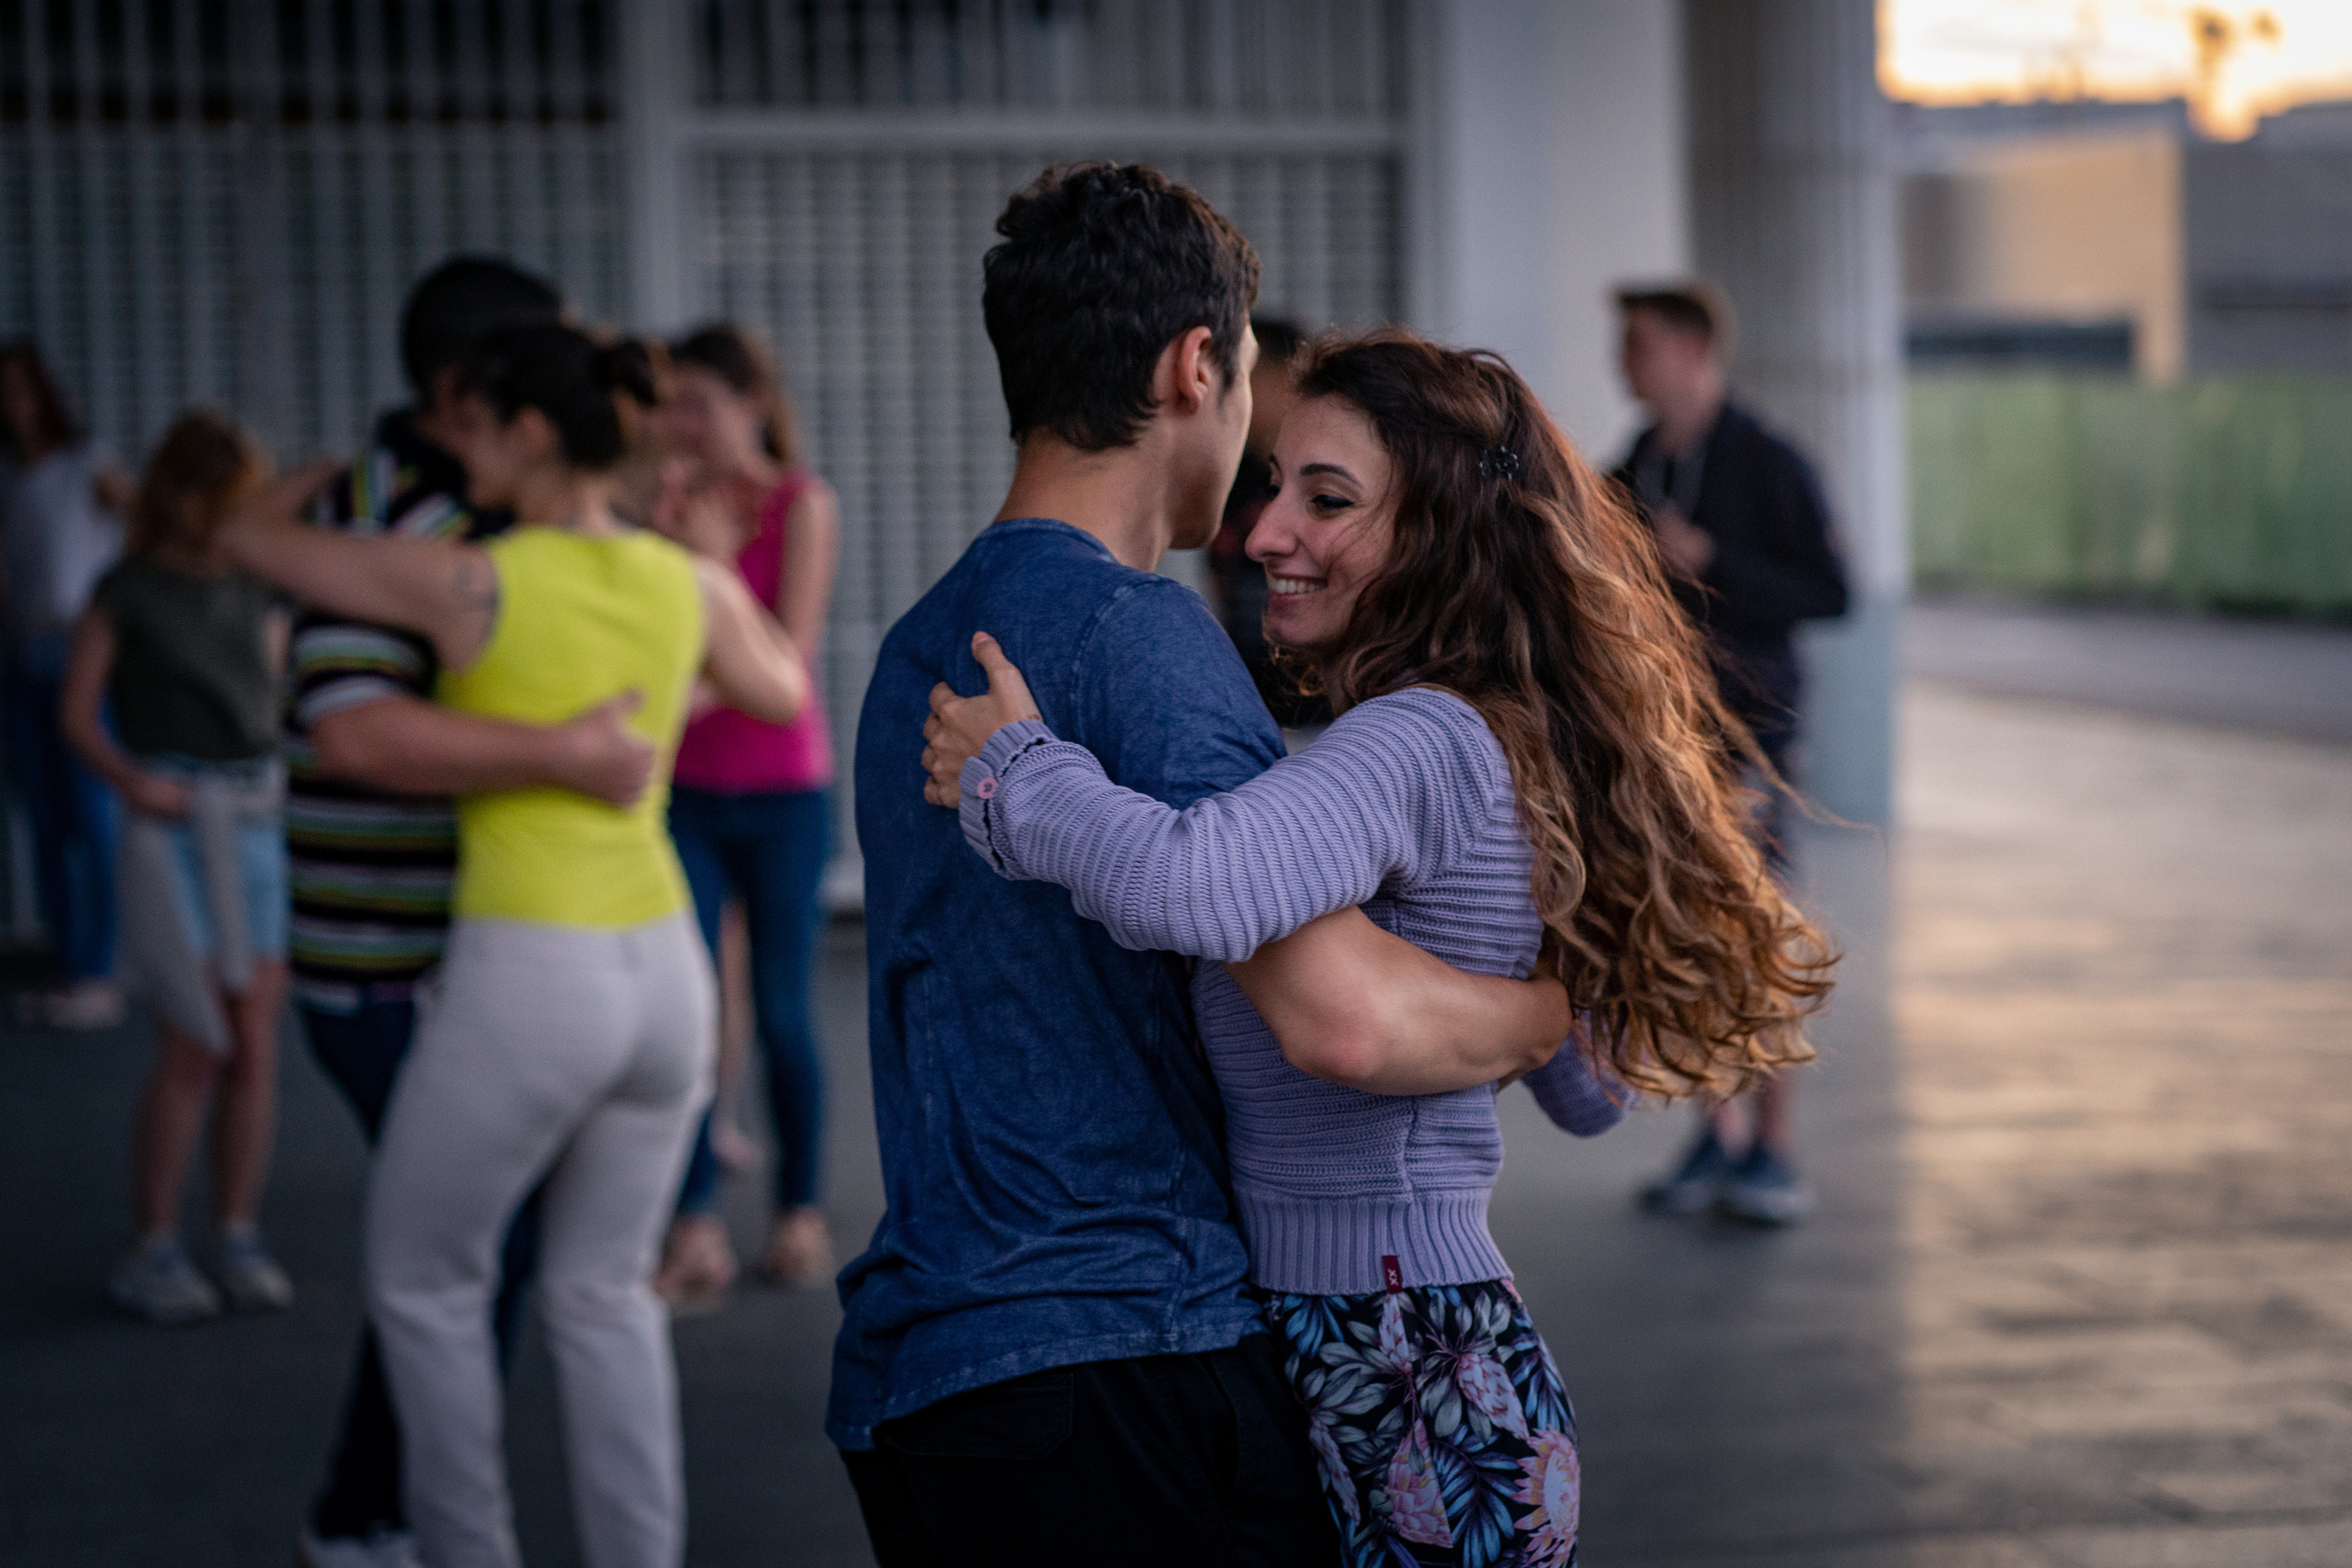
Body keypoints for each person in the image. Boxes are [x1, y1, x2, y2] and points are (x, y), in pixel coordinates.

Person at [923, 330, 1834, 1564]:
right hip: (1437, 1351)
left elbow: (1197, 882)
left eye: (1327, 499)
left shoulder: (1418, 739)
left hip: (1403, 1362)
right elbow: (1595, 1093)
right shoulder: (1498, 739)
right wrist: (1524, 1005)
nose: (1262, 533)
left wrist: (1015, 774)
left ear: (1440, 532)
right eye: (1273, 486)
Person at [839, 161, 1580, 1568]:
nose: (1268, 515)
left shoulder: (916, 644)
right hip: (1122, 1357)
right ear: (1197, 366)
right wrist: (1551, 1013)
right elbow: (1335, 1005)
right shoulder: (1147, 633)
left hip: (925, 1368)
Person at [227, 321, 807, 1568]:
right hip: (665, 975)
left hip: (533, 975)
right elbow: (783, 689)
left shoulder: (468, 581)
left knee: (425, 1280)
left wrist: (330, 470)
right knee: (604, 1293)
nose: (460, 448)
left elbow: (248, 542)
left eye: (476, 427)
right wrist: (701, 591)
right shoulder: (682, 580)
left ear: (529, 431)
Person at [276, 258, 658, 1568]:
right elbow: (355, 732)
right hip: (384, 960)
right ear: (463, 395)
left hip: (498, 955)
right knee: (466, 1259)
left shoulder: (509, 520)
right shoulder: (385, 512)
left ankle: (386, 1514)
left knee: (498, 1257)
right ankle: (367, 1519)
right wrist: (566, 754)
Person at [1609, 282, 1851, 1226]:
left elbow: (1832, 590)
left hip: (1755, 733)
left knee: (1764, 928)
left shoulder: (1767, 460)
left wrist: (1712, 558)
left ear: (1692, 349)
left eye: (1638, 342)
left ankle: (1774, 1150)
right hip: (1671, 738)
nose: (1623, 360)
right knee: (1687, 930)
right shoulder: (1640, 462)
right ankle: (1719, 1129)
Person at [56, 412, 293, 1325]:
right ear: (178, 494)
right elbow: (77, 714)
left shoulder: (258, 584)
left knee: (254, 1040)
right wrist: (131, 781)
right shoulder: (128, 588)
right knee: (194, 1038)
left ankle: (237, 1229)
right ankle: (152, 1242)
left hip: (253, 815)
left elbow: (275, 694)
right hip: (174, 821)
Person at [647, 321, 842, 1309]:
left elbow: (783, 663)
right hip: (683, 790)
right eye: (671, 405)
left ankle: (799, 1211)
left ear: (752, 405)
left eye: (700, 404)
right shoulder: (665, 506)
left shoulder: (802, 504)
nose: (683, 423)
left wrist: (714, 564)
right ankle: (693, 1225)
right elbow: (651, 646)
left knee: (779, 1009)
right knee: (687, 1013)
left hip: (783, 793)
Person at [0, 341, 128, 1028]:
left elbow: (147, 519)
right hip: (24, 649)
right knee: (46, 819)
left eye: (23, 391)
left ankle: (99, 968)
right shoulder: (10, 477)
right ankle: (68, 957)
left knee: (91, 812)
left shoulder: (86, 464)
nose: (15, 407)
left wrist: (116, 612)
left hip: (78, 649)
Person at [1206, 314, 1327, 726]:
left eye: (1243, 374)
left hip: (1319, 707)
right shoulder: (1229, 479)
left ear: (1285, 377)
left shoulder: (1330, 478)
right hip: (1252, 697)